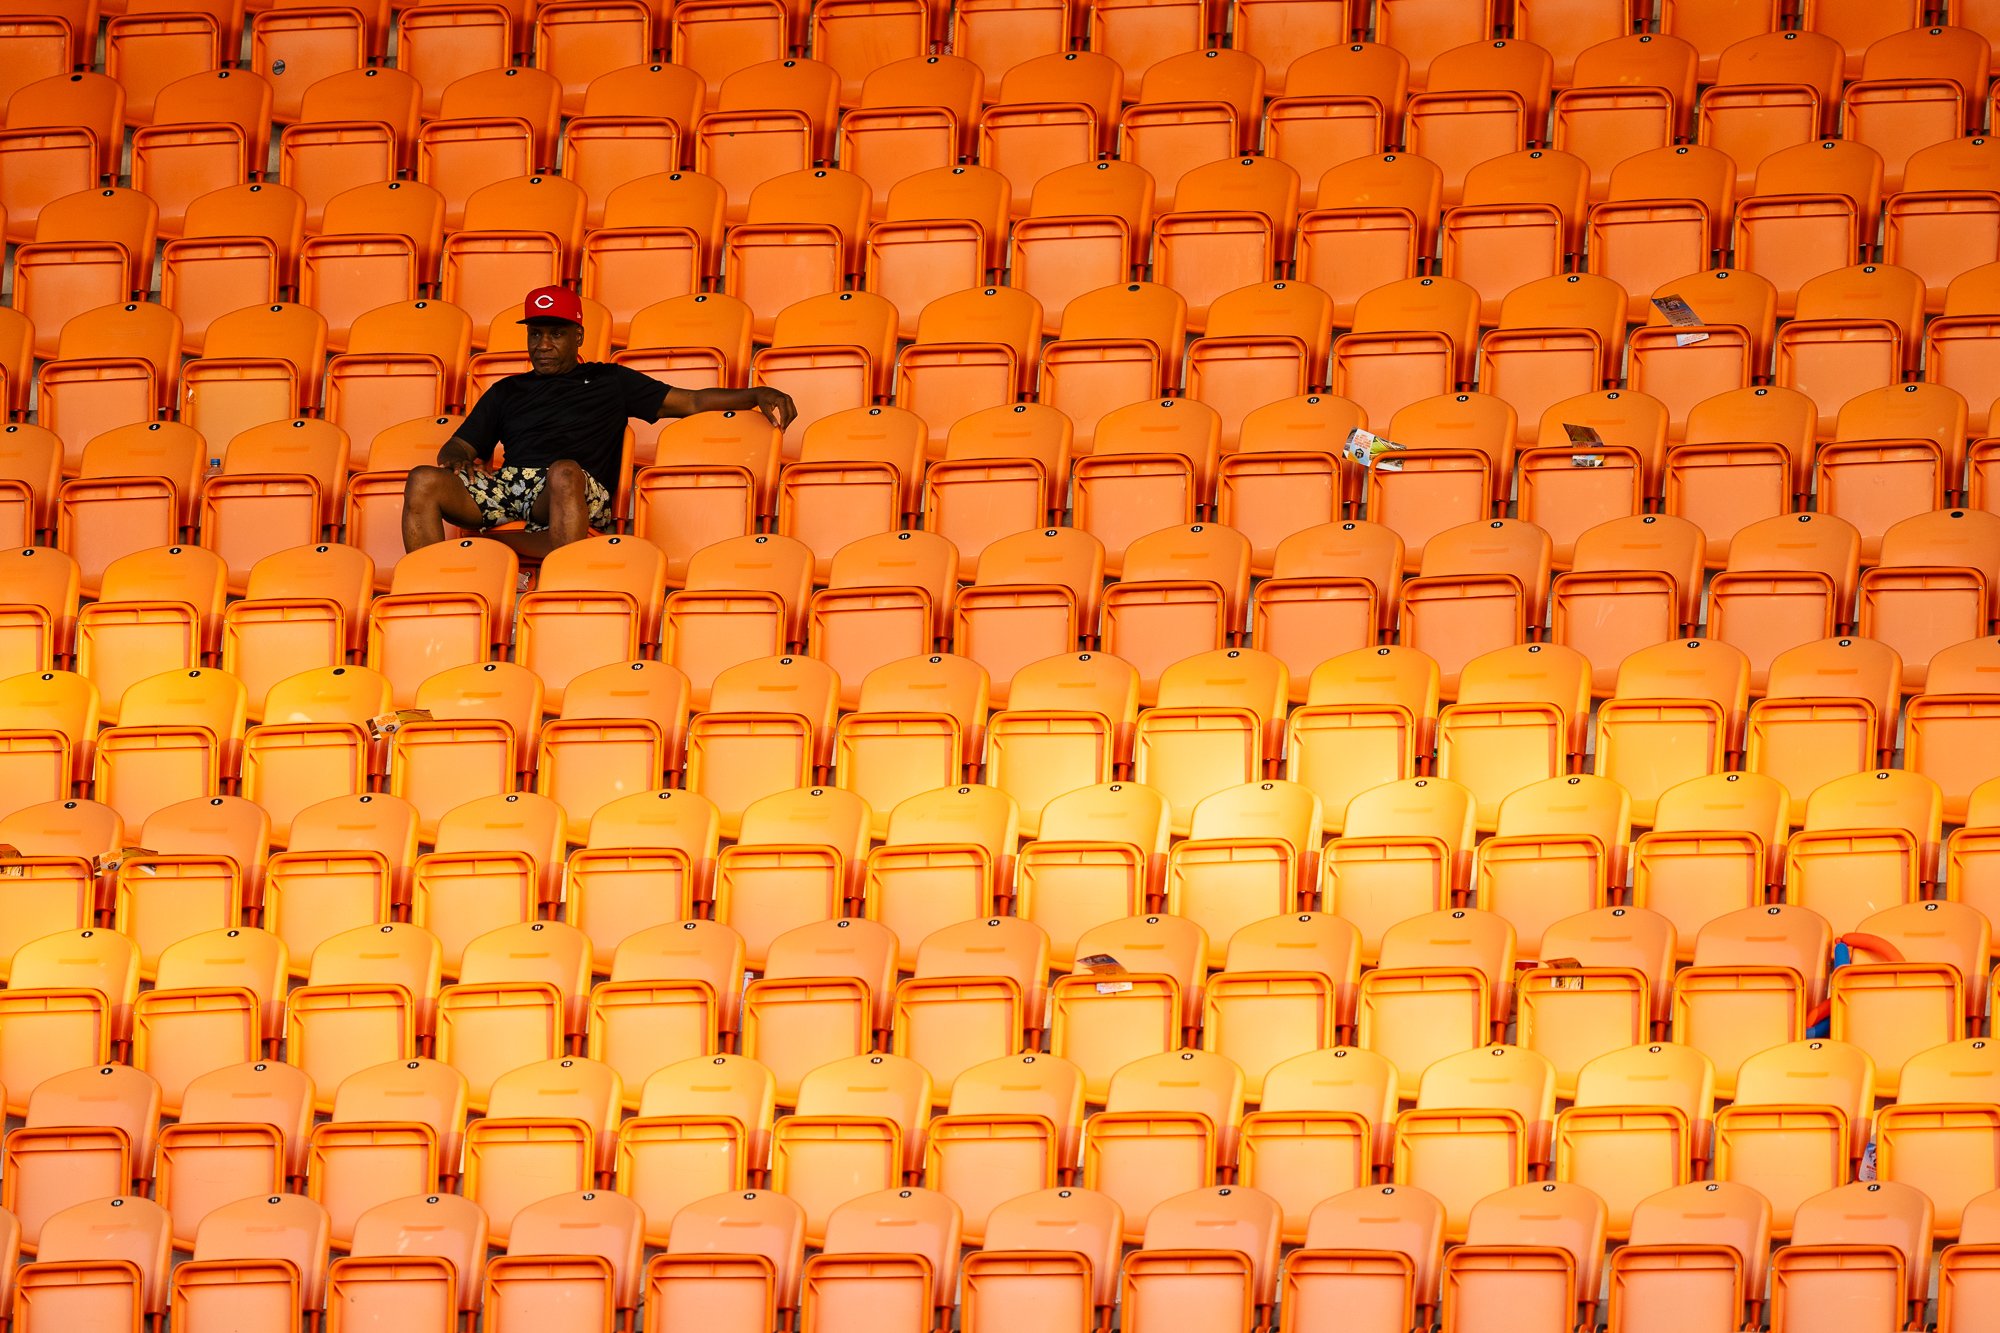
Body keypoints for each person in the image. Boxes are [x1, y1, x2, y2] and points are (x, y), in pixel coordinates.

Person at [401, 285, 798, 556]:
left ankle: (556, 569)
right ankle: (433, 580)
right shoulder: (509, 389)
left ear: (578, 336)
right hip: (513, 486)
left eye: (555, 335)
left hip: (574, 486)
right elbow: (462, 445)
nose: (542, 345)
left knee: (563, 472)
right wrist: (452, 457)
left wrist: (754, 394)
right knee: (422, 479)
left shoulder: (611, 380)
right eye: (535, 335)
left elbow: (691, 401)